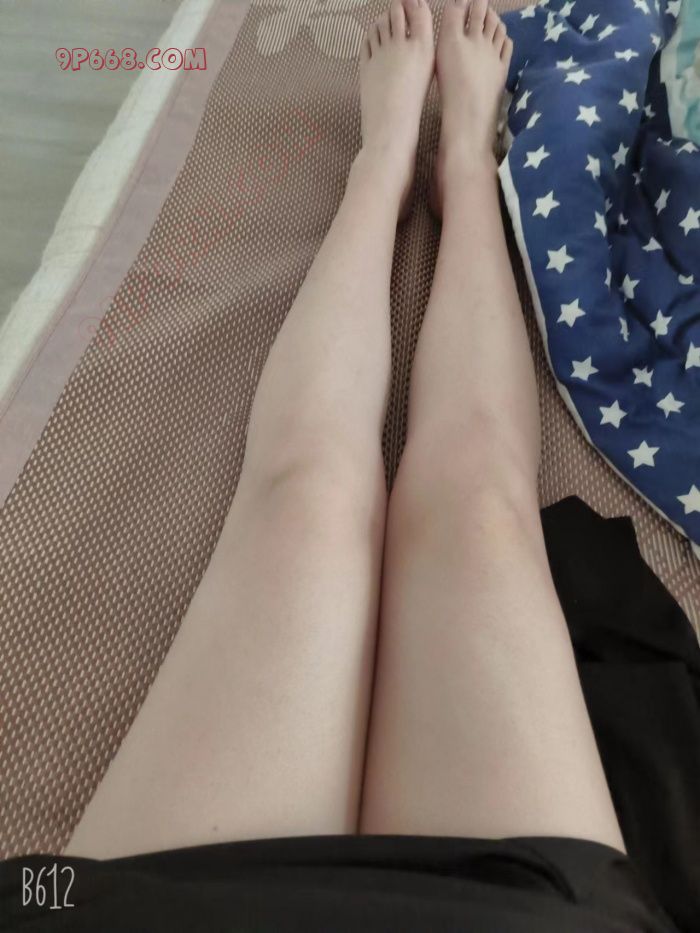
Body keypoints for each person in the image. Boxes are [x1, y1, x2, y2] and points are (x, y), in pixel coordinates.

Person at [5, 1, 675, 929]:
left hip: (135, 905)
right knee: (479, 505)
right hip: (525, 907)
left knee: (305, 497)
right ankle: (436, 167)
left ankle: (405, 166)